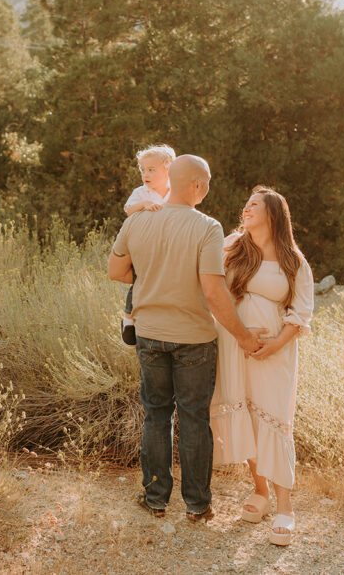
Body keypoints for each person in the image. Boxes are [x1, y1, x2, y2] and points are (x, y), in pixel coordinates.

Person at [108, 155, 262, 522]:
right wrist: (242, 336)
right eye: (206, 182)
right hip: (194, 338)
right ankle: (197, 505)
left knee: (156, 416)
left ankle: (156, 499)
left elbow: (116, 271)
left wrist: (152, 276)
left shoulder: (137, 221)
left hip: (149, 334)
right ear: (197, 186)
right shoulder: (207, 227)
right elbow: (213, 291)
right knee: (194, 419)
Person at [209, 186, 314, 546]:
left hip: (274, 354)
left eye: (255, 205)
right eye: (247, 204)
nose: (246, 208)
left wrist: (274, 345)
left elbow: (301, 313)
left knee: (275, 420)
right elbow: (210, 288)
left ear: (273, 213)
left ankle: (285, 507)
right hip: (234, 347)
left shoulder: (293, 260)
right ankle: (260, 491)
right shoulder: (230, 246)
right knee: (245, 418)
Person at [120, 145, 175, 346]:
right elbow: (128, 210)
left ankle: (165, 316)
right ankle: (128, 319)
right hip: (145, 245)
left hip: (169, 247)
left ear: (168, 170)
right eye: (143, 170)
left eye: (151, 169)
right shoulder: (141, 193)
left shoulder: (175, 191)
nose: (146, 174)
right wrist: (143, 205)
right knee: (140, 279)